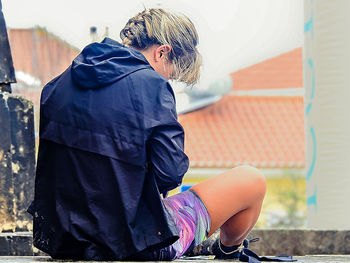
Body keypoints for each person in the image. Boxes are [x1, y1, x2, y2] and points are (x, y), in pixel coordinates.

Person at [28, 8, 266, 261]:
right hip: (134, 244)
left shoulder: (57, 85)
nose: (168, 80)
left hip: (65, 240)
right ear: (162, 52)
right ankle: (226, 249)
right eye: (172, 73)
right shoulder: (152, 86)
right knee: (251, 181)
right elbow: (170, 174)